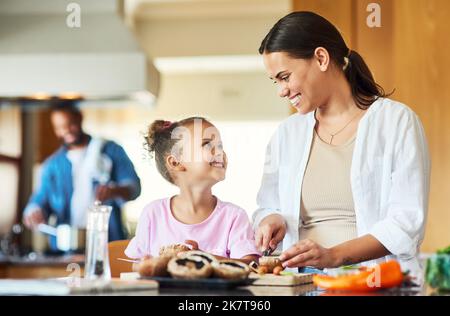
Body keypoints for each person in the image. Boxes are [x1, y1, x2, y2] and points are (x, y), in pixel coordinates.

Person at [253, 11, 430, 277]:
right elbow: (268, 205)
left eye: (285, 76)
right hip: (301, 283)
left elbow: (406, 224)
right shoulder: (287, 134)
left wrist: (332, 256)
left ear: (321, 58)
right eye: (275, 81)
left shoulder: (396, 121)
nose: (281, 90)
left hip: (370, 281)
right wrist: (271, 219)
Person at [125, 117, 260, 264]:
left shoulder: (234, 216)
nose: (220, 152)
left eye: (220, 146)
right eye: (207, 145)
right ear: (176, 162)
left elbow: (251, 265)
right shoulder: (153, 214)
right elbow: (136, 265)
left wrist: (202, 258)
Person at [23, 102, 141, 246]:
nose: (66, 131)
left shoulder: (111, 150)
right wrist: (34, 212)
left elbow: (134, 188)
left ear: (79, 118)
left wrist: (114, 191)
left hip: (108, 242)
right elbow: (39, 199)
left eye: (70, 124)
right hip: (65, 246)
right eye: (59, 127)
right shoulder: (52, 165)